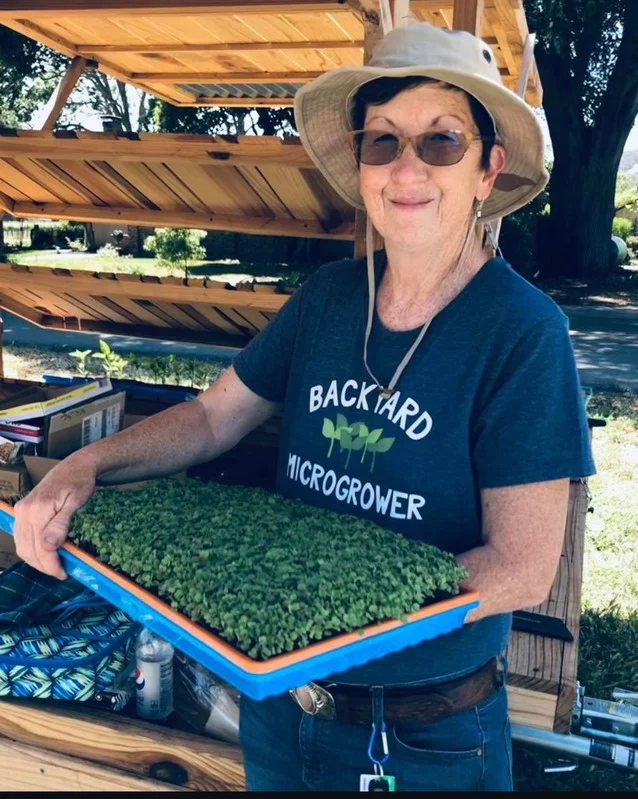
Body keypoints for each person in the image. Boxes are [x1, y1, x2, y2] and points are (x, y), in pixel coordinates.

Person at [14, 22, 594, 792]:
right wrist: (84, 465)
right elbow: (215, 416)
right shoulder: (327, 296)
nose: (407, 167)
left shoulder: (523, 333)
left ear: (488, 170)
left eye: (442, 142)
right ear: (360, 165)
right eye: (382, 142)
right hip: (283, 716)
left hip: (425, 737)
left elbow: (521, 569)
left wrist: (323, 622)